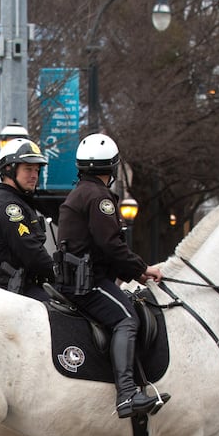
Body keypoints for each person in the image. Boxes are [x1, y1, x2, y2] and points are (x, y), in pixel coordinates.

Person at [56, 133, 165, 419]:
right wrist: (142, 270)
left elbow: (100, 248)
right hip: (87, 284)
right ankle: (126, 393)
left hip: (81, 277)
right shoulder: (98, 197)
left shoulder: (81, 193)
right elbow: (110, 245)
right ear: (112, 167)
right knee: (127, 318)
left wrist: (130, 271)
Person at [0, 137, 58, 299]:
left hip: (20, 287)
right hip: (15, 291)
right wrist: (60, 273)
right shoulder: (9, 208)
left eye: (37, 170)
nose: (34, 175)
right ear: (9, 169)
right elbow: (31, 253)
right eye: (28, 169)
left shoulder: (17, 203)